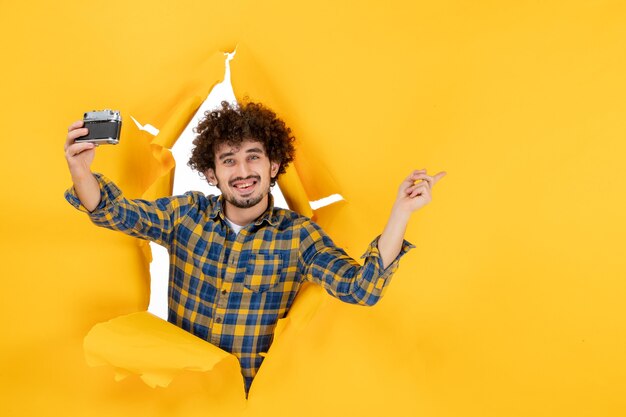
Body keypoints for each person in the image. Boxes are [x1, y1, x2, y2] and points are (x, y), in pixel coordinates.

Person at [64, 101, 446, 394]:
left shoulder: (298, 237)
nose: (242, 171)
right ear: (212, 173)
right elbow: (116, 213)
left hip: (246, 401)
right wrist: (81, 170)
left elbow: (361, 289)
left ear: (274, 164)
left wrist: (402, 212)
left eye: (253, 157)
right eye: (229, 161)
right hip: (178, 398)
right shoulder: (187, 214)